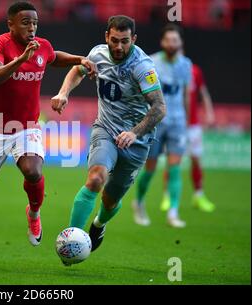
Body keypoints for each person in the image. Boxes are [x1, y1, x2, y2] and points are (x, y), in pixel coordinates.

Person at [0, 1, 96, 268]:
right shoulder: (0, 45)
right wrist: (20, 60)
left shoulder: (41, 46)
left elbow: (52, 56)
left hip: (26, 126)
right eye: (25, 22)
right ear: (11, 24)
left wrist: (79, 59)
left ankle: (34, 212)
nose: (31, 27)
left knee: (33, 171)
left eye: (35, 23)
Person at [51, 15, 166, 261]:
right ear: (107, 37)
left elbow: (159, 108)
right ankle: (71, 241)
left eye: (125, 41)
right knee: (95, 179)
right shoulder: (97, 54)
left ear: (133, 39)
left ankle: (99, 224)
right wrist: (63, 93)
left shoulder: (143, 67)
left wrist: (134, 132)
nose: (119, 47)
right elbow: (78, 70)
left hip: (137, 142)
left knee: (110, 200)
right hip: (105, 129)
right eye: (114, 40)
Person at [132, 23, 192, 228]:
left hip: (178, 122)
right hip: (156, 122)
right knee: (150, 168)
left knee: (175, 167)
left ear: (180, 42)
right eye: (168, 40)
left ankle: (173, 212)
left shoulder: (186, 65)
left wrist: (186, 121)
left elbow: (185, 94)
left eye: (175, 40)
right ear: (162, 42)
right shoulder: (152, 62)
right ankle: (138, 203)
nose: (172, 44)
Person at [159, 63, 216, 213]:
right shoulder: (167, 70)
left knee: (196, 159)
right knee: (172, 161)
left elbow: (203, 92)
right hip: (174, 123)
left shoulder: (195, 70)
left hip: (193, 125)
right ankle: (167, 196)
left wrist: (209, 112)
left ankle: (199, 195)